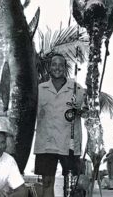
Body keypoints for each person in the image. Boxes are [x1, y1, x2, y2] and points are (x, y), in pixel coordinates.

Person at [33, 53, 85, 197]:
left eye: (60, 65)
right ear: (49, 68)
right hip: (46, 143)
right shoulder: (39, 88)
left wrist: (79, 109)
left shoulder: (76, 88)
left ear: (65, 68)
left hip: (68, 143)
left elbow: (86, 111)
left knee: (71, 185)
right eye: (54, 64)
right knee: (47, 182)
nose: (57, 68)